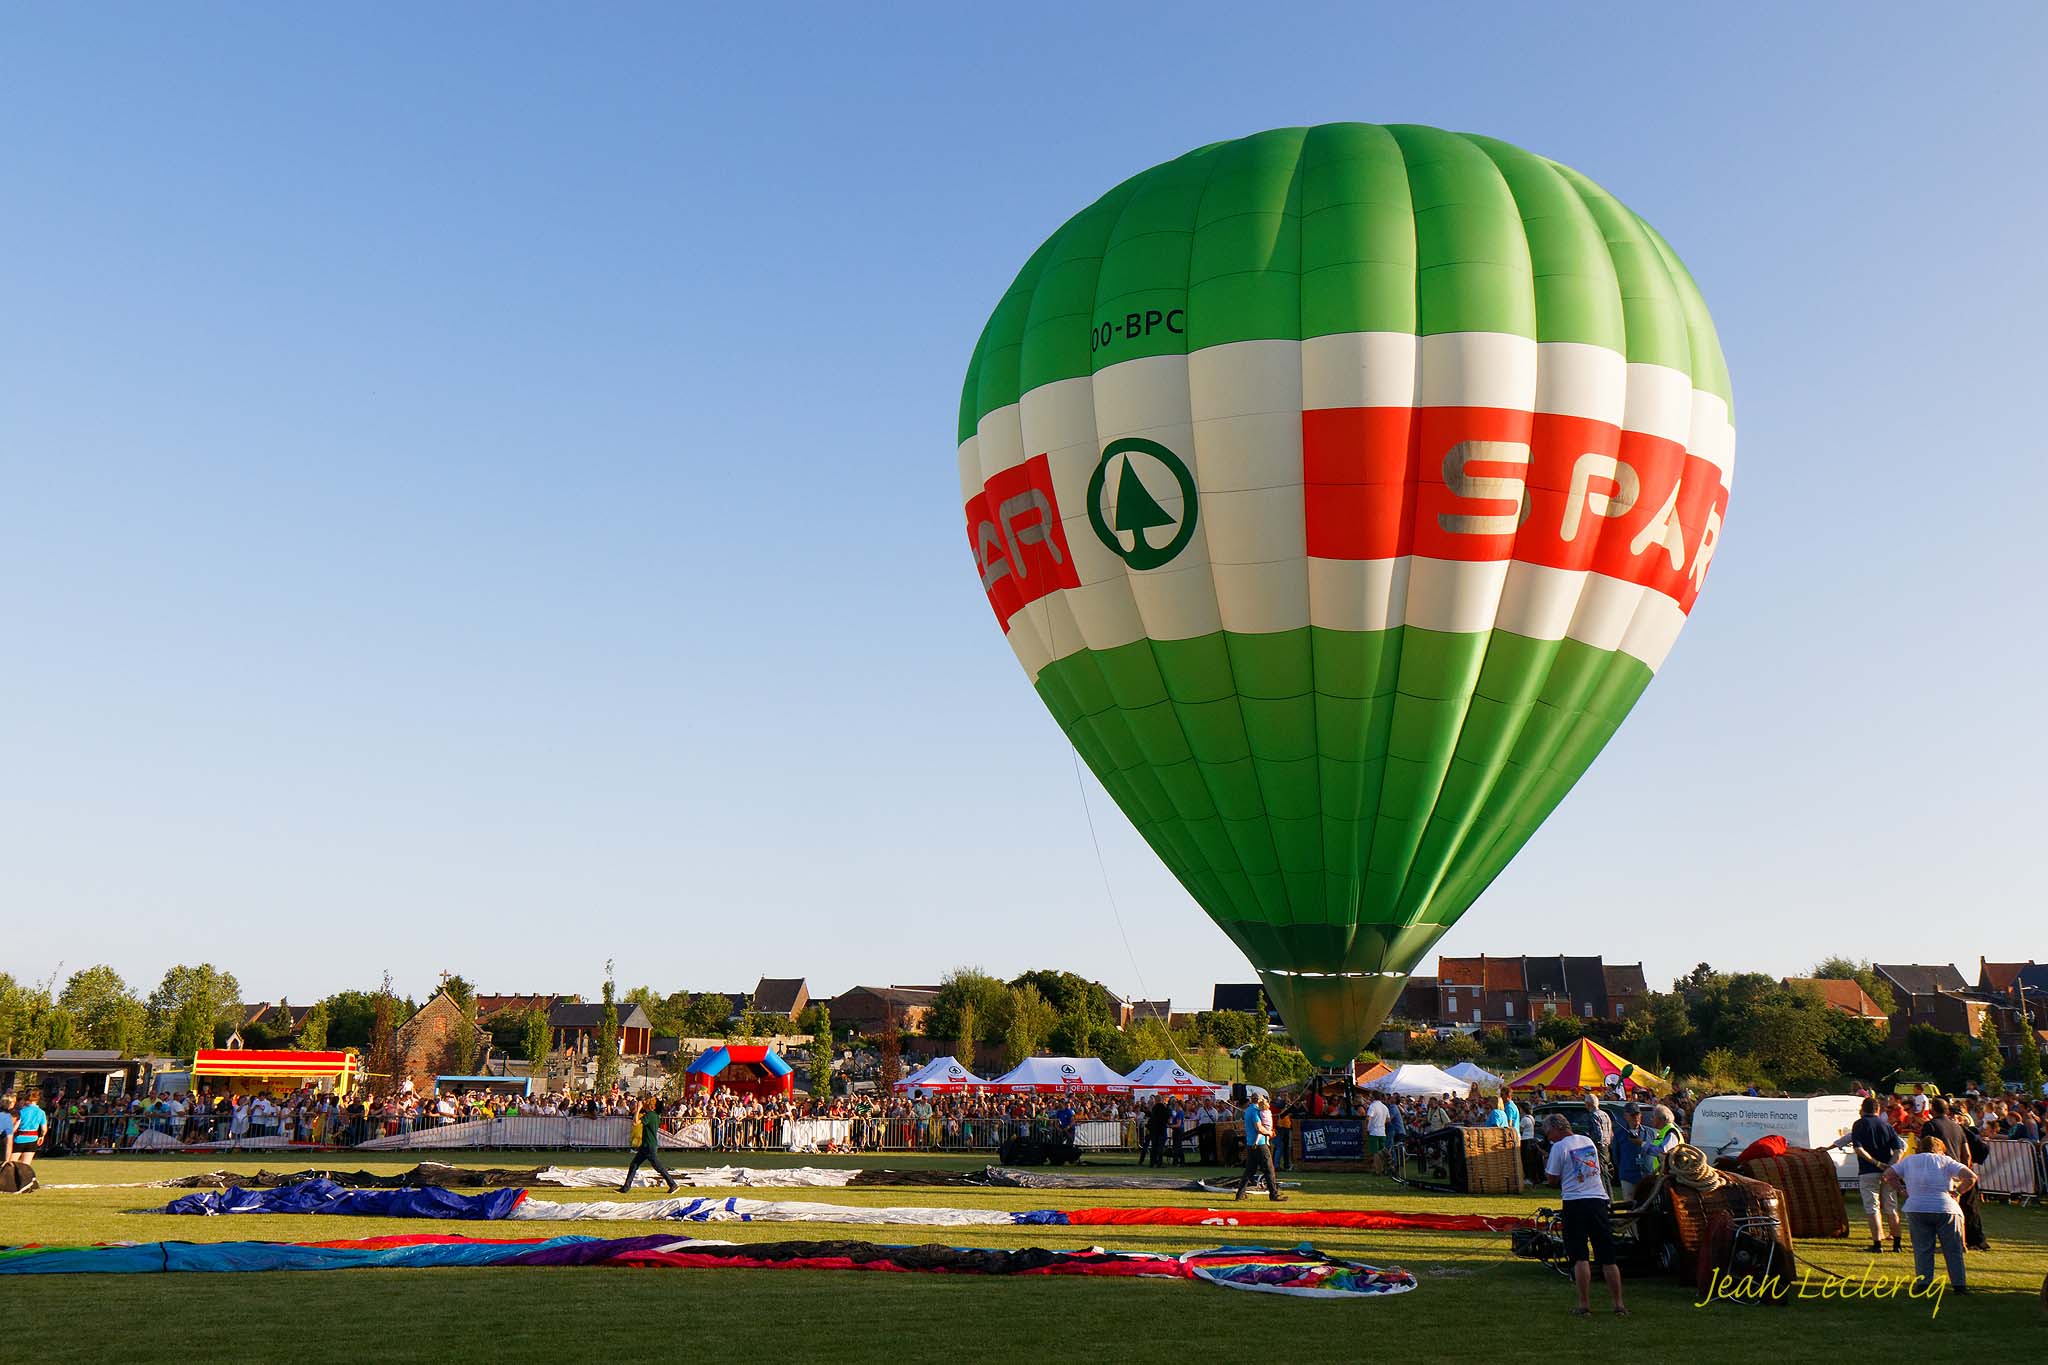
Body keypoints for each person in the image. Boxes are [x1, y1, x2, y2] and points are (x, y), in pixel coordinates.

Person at [1542, 1113, 1626, 1317]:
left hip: (1575, 1202)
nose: (1548, 1137)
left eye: (1548, 1133)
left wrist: (1548, 1164)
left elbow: (1552, 1179)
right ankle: (1618, 1304)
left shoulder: (1559, 1147)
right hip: (1597, 1199)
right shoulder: (1587, 1141)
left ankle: (1584, 1304)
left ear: (1556, 1128)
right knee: (1608, 1257)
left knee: (1580, 1256)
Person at [1884, 1133, 1974, 1294]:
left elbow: (1888, 1175)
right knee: (1952, 1249)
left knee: (1922, 1248)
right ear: (1940, 1149)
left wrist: (1901, 1190)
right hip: (1945, 1207)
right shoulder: (1946, 1160)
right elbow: (1970, 1177)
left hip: (1916, 1206)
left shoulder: (1909, 1160)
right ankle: (1959, 1285)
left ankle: (1924, 1283)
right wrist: (1958, 1192)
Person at [1833, 1096, 1905, 1253]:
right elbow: (1899, 1150)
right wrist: (1890, 1168)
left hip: (1868, 1171)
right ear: (1878, 1110)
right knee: (1891, 1207)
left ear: (1863, 1109)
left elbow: (1859, 1149)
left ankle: (1877, 1244)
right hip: (1887, 1171)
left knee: (1872, 1207)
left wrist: (1876, 1163)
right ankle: (1897, 1244)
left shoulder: (1859, 1124)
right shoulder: (1887, 1126)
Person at [618, 1098, 680, 1194]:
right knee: (634, 1165)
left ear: (651, 1106)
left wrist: (638, 1109)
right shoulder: (654, 1115)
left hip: (649, 1146)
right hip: (646, 1145)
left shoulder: (650, 1115)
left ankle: (673, 1184)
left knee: (658, 1167)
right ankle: (626, 1187)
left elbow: (635, 1122)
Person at [1233, 1090, 1286, 1202]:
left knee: (1250, 1170)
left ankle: (1240, 1194)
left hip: (1251, 1143)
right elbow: (1259, 1128)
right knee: (1269, 1169)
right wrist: (1269, 1133)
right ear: (1259, 1100)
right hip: (1260, 1144)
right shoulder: (1255, 1111)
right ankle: (1274, 1195)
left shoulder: (1248, 1110)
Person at [9, 1092, 48, 1165]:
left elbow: (15, 1128)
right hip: (33, 1139)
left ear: (27, 1100)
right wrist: (41, 1136)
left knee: (11, 1164)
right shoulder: (41, 1112)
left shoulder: (21, 1112)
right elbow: (44, 1129)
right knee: (26, 1165)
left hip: (20, 1138)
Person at [1365, 1094, 1390, 1173]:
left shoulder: (1372, 1106)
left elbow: (1368, 1118)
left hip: (1374, 1132)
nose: (1369, 1097)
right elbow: (1388, 1119)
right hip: (1382, 1131)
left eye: (1370, 1096)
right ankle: (1385, 1168)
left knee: (1375, 1152)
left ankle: (1378, 1170)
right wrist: (1381, 1123)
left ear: (1373, 1097)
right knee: (1381, 1151)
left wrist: (1367, 1128)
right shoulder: (1384, 1107)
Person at [1145, 1097, 1170, 1168]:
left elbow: (1152, 1119)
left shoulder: (1154, 1109)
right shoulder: (1164, 1109)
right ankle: (1159, 1163)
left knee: (1154, 1147)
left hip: (1154, 1131)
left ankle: (1152, 1163)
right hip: (1162, 1131)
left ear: (1155, 1101)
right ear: (1161, 1100)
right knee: (1160, 1148)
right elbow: (1167, 1119)